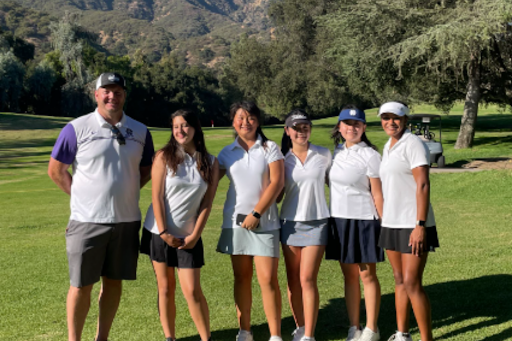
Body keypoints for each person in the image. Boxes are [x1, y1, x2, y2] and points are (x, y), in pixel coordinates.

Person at [47, 72, 155, 341]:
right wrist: (81, 197)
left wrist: (125, 190)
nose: (112, 96)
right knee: (81, 285)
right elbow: (56, 170)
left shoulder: (141, 131)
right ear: (96, 95)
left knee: (114, 283)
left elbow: (145, 171)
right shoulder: (76, 128)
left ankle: (102, 338)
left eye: (118, 91)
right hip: (87, 221)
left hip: (126, 220)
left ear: (124, 95)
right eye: (106, 91)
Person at [141, 109, 219, 341]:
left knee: (192, 291)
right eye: (175, 126)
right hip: (159, 231)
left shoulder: (210, 162)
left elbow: (207, 203)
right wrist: (164, 233)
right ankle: (170, 337)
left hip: (189, 235)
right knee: (165, 289)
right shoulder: (163, 156)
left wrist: (196, 235)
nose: (180, 130)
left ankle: (206, 338)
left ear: (195, 128)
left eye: (185, 125)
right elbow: (156, 197)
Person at [216, 101, 285, 341]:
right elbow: (208, 182)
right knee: (241, 278)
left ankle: (275, 335)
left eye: (250, 118)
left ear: (258, 121)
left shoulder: (270, 148)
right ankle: (244, 331)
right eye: (240, 118)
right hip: (235, 223)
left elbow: (277, 182)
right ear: (233, 121)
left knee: (268, 279)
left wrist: (256, 214)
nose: (245, 122)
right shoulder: (226, 153)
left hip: (264, 222)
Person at [377, 101, 439, 341]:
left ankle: (427, 339)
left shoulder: (413, 143)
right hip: (392, 223)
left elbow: (422, 184)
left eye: (396, 118)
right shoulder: (389, 145)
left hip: (413, 223)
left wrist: (420, 225)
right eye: (386, 118)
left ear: (405, 120)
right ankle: (402, 333)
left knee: (412, 283)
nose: (390, 122)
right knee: (399, 279)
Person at [326, 106, 384, 341]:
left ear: (364, 127)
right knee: (349, 276)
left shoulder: (370, 155)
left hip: (364, 221)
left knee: (366, 275)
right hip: (339, 220)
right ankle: (354, 326)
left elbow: (378, 193)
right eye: (347, 124)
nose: (352, 128)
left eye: (357, 124)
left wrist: (385, 223)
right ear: (339, 127)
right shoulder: (337, 152)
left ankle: (371, 328)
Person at [278, 110, 331, 341]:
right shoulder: (281, 159)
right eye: (296, 128)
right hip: (289, 224)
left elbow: (336, 184)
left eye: (305, 127)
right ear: (287, 130)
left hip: (317, 223)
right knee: (293, 280)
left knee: (307, 278)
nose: (301, 132)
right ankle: (300, 326)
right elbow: (277, 195)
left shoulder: (323, 154)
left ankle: (309, 334)